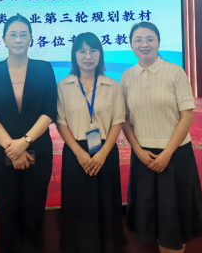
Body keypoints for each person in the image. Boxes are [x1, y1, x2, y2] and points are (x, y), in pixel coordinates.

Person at [120, 22, 202, 253]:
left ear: (158, 42)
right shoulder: (126, 77)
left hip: (175, 155)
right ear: (131, 45)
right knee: (151, 217)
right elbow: (125, 120)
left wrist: (168, 153)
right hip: (144, 156)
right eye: (138, 40)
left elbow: (187, 117)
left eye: (150, 39)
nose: (144, 44)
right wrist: (138, 151)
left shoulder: (175, 72)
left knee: (174, 221)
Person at [0, 15, 57, 253]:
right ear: (4, 39)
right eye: (13, 34)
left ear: (31, 38)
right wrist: (12, 148)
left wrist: (25, 142)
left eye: (24, 34)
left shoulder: (44, 69)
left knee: (34, 215)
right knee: (7, 216)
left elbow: (49, 111)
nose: (18, 39)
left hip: (38, 154)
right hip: (1, 155)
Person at [56, 32, 126, 253]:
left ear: (100, 55)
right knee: (77, 206)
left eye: (93, 51)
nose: (88, 56)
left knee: (107, 204)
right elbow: (61, 122)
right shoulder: (63, 86)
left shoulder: (112, 85)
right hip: (76, 152)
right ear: (74, 55)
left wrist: (103, 153)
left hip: (105, 151)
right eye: (82, 51)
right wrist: (79, 152)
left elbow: (118, 121)